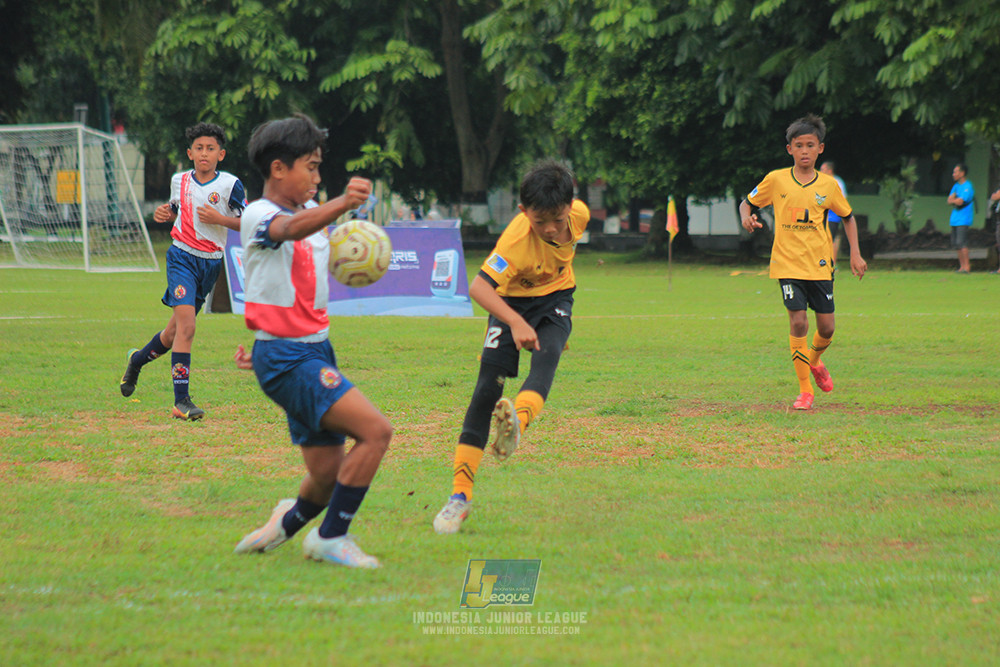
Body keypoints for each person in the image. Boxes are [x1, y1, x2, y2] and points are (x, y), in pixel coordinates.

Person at [231, 114, 390, 568]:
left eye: (320, 168)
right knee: (376, 432)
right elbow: (288, 232)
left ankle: (286, 521)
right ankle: (330, 538)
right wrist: (341, 204)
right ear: (278, 169)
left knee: (324, 477)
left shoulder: (310, 218)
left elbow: (284, 281)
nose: (317, 178)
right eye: (311, 166)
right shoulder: (261, 215)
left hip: (307, 351)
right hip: (287, 357)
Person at [433, 160, 590, 534]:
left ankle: (515, 423)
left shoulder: (580, 215)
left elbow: (565, 233)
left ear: (571, 204)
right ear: (523, 212)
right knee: (487, 391)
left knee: (546, 360)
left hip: (555, 298)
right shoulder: (515, 243)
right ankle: (459, 498)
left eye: (557, 218)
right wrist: (516, 322)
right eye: (540, 221)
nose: (550, 228)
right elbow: (479, 288)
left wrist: (538, 325)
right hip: (509, 304)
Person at [739, 114, 867, 411]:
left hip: (819, 265)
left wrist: (856, 254)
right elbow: (747, 201)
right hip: (786, 264)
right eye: (799, 145)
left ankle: (815, 360)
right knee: (798, 321)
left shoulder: (829, 185)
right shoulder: (776, 180)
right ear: (790, 150)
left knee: (827, 328)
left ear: (820, 148)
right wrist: (746, 217)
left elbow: (848, 217)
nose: (805, 151)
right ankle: (805, 390)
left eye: (811, 145)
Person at [119, 122, 246, 420]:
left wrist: (219, 218)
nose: (204, 153)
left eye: (211, 148)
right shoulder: (180, 180)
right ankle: (181, 401)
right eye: (199, 148)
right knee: (188, 328)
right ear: (190, 153)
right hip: (181, 258)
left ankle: (137, 360)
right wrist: (165, 212)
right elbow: (177, 209)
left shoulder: (230, 185)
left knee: (173, 332)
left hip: (211, 263)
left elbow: (247, 221)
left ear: (221, 154)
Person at [947, 163, 975, 273]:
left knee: (962, 242)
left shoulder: (967, 186)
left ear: (962, 173)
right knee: (956, 244)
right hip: (954, 219)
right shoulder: (956, 186)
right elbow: (949, 200)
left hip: (963, 219)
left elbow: (961, 201)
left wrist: (954, 200)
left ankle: (967, 267)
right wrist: (954, 200)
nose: (953, 174)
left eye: (956, 172)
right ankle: (961, 267)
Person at [819, 161, 847, 262]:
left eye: (823, 169)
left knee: (831, 238)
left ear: (829, 170)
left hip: (833, 213)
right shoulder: (820, 181)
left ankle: (831, 263)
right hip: (822, 212)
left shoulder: (837, 182)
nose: (820, 171)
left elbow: (842, 199)